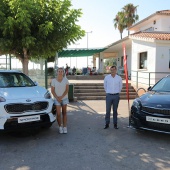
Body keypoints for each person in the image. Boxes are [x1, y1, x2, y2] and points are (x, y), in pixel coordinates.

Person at [51, 67, 69, 134]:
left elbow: (67, 90)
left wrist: (61, 97)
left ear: (63, 72)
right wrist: (57, 98)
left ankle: (65, 127)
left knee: (64, 113)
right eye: (59, 71)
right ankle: (60, 127)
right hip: (56, 99)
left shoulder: (66, 80)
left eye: (61, 71)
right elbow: (52, 91)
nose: (60, 72)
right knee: (58, 114)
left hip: (64, 98)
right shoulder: (54, 81)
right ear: (57, 72)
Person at [104, 65, 122, 129]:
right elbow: (105, 86)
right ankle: (107, 124)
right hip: (109, 96)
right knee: (107, 110)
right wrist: (109, 92)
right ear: (110, 70)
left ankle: (115, 124)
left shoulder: (119, 78)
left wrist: (116, 92)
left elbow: (120, 87)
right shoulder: (107, 78)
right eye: (111, 70)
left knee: (115, 110)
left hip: (116, 96)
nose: (112, 71)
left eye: (114, 70)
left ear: (116, 70)